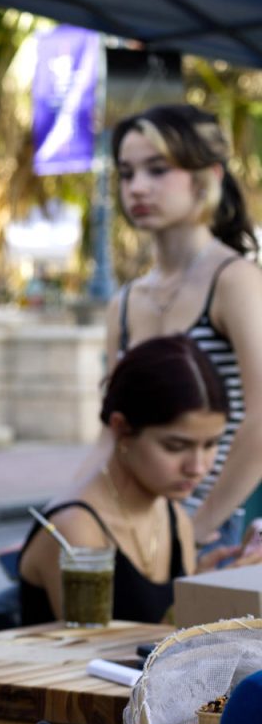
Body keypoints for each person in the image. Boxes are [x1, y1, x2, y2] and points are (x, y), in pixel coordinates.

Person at [106, 103, 262, 548]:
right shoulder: (124, 301)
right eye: (127, 172)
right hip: (133, 528)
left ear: (207, 177)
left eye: (157, 170)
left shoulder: (234, 281)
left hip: (212, 529)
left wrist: (195, 530)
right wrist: (70, 515)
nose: (137, 187)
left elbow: (261, 420)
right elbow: (110, 436)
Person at [18, 336, 251, 624]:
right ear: (121, 428)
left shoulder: (173, 517)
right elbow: (95, 656)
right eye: (175, 447)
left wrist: (205, 589)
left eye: (211, 444)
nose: (198, 467)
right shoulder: (76, 529)